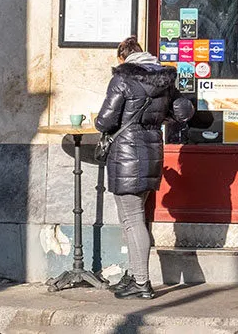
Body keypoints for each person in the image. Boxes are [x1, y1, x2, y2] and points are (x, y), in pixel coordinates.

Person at [95, 36, 180, 299]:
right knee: (132, 218)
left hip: (127, 153)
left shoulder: (122, 78)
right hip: (152, 150)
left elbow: (105, 121)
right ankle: (133, 275)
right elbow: (182, 111)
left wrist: (98, 121)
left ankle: (142, 283)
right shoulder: (164, 80)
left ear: (123, 57)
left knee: (132, 220)